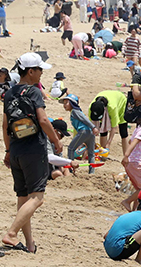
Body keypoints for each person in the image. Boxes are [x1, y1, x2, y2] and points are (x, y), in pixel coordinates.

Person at [1, 53, 60, 254]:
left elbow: (4, 125)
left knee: (23, 197)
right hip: (33, 149)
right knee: (37, 197)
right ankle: (11, 233)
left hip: (16, 149)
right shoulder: (34, 92)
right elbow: (43, 120)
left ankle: (29, 243)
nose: (42, 73)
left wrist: (8, 150)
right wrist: (56, 140)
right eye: (40, 70)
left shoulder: (9, 93)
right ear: (31, 71)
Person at [103, 198, 141, 265]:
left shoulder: (127, 215)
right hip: (118, 251)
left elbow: (106, 236)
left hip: (108, 250)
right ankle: (140, 259)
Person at [60, 94, 99, 173]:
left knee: (71, 148)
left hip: (84, 131)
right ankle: (92, 172)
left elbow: (85, 119)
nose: (64, 105)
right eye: (64, 103)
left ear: (72, 103)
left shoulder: (75, 111)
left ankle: (70, 169)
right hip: (90, 133)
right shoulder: (76, 111)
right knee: (91, 153)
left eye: (66, 103)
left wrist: (93, 127)